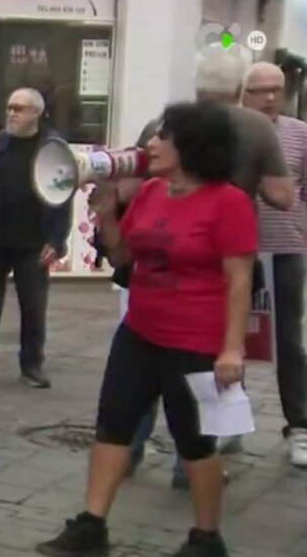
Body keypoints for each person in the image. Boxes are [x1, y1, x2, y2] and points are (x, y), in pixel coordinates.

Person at [36, 101, 257, 557]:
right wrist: (107, 212)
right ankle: (91, 526)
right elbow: (123, 260)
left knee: (195, 441)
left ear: (192, 146)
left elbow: (240, 278)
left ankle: (205, 537)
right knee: (112, 427)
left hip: (196, 341)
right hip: (139, 331)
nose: (151, 144)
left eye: (163, 137)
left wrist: (232, 350)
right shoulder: (154, 192)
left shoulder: (228, 202)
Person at [125, 50, 294, 488]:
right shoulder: (257, 127)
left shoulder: (163, 124)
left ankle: (127, 447)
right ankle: (194, 464)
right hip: (223, 258)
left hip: (159, 254)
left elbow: (131, 183)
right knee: (205, 362)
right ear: (240, 89)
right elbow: (283, 196)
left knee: (144, 356)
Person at [0, 88, 72, 388]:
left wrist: (57, 239)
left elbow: (63, 195)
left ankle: (32, 364)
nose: (12, 113)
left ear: (37, 112)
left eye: (20, 108)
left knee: (33, 305)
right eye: (9, 107)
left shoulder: (53, 147)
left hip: (34, 240)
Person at [242, 61, 307, 467]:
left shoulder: (300, 134)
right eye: (260, 89)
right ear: (243, 91)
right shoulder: (233, 130)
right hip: (238, 250)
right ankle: (228, 423)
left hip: (286, 249)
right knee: (233, 336)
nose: (269, 97)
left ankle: (299, 426)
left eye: (276, 89)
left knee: (288, 340)